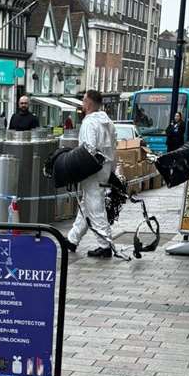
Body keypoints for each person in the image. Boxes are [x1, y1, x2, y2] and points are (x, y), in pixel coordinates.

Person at [67, 90, 117, 258]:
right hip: (104, 169)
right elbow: (114, 148)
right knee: (86, 205)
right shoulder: (108, 122)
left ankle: (105, 244)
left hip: (92, 171)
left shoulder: (89, 123)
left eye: (83, 100)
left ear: (88, 103)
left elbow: (88, 149)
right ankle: (72, 239)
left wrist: (77, 170)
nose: (82, 104)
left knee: (95, 205)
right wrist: (112, 169)